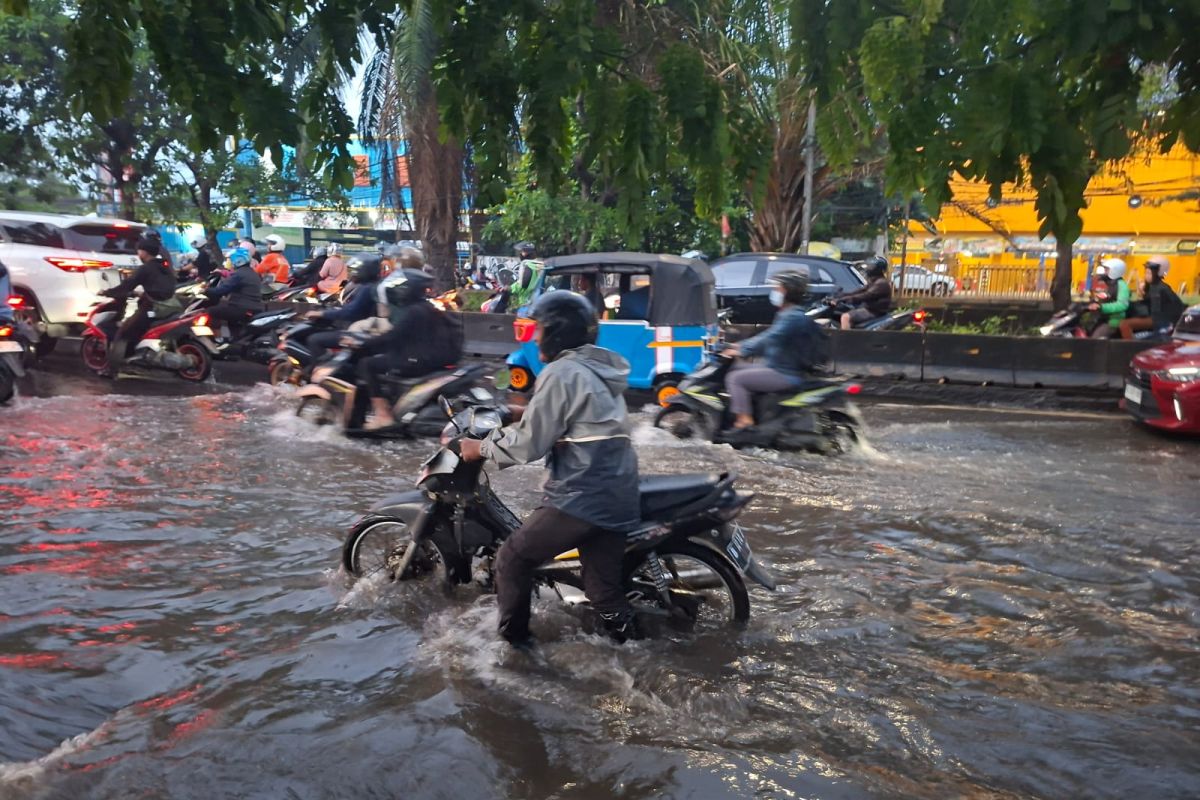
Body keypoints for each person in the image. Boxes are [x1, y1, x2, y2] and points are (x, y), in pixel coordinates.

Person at [459, 292, 640, 648]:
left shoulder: (562, 371)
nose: (535, 337)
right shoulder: (599, 368)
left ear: (557, 331)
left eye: (539, 329)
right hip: (616, 494)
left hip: (581, 494)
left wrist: (478, 448)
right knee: (603, 590)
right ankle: (635, 646)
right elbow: (577, 420)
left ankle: (515, 649)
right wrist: (519, 414)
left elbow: (529, 445)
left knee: (511, 558)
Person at [719, 270, 824, 431]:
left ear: (788, 291)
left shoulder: (792, 317)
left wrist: (742, 349)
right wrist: (738, 347)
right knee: (735, 368)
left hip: (785, 373)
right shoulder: (788, 314)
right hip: (778, 365)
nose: (774, 292)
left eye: (778, 289)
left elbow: (770, 338)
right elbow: (771, 340)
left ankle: (744, 420)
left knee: (735, 378)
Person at [352, 268, 455, 429]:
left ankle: (382, 414)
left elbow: (392, 337)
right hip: (428, 358)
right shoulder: (426, 307)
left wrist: (363, 344)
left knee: (367, 364)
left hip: (415, 360)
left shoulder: (413, 311)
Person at [99, 236, 178, 377]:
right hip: (173, 308)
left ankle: (111, 370)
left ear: (144, 253)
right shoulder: (165, 266)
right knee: (135, 329)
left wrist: (107, 292)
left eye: (139, 251)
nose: (138, 254)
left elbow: (127, 285)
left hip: (154, 309)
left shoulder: (146, 268)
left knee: (122, 333)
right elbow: (161, 287)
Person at [302, 254, 387, 366]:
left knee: (314, 339)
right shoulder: (373, 285)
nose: (352, 274)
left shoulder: (367, 289)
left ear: (365, 271)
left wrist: (321, 313)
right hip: (363, 328)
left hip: (358, 332)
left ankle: (319, 372)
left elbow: (350, 312)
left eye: (356, 271)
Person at [204, 247, 264, 340]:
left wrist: (206, 290)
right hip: (253, 308)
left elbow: (222, 290)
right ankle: (234, 339)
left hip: (242, 308)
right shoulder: (252, 273)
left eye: (230, 260)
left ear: (238, 260)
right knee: (230, 317)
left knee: (212, 311)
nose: (229, 262)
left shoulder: (239, 274)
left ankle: (218, 340)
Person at [1120, 256, 1184, 339]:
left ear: (1159, 273)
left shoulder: (1161, 288)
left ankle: (1131, 346)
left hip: (1161, 319)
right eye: (1146, 273)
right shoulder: (1152, 286)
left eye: (1149, 273)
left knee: (1124, 324)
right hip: (1157, 317)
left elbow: (1155, 310)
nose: (1146, 276)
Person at [837, 256, 893, 329]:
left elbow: (866, 295)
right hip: (870, 309)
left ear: (876, 270)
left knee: (845, 317)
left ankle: (844, 339)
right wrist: (840, 296)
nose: (867, 269)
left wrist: (845, 299)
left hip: (874, 312)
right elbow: (860, 291)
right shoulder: (875, 281)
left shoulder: (881, 283)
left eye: (870, 267)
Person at [1088, 257, 1130, 338]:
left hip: (1114, 321)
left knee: (1095, 338)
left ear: (1115, 271)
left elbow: (1122, 305)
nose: (1105, 272)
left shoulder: (1121, 285)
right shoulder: (1111, 284)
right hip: (1104, 318)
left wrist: (1102, 307)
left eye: (1107, 270)